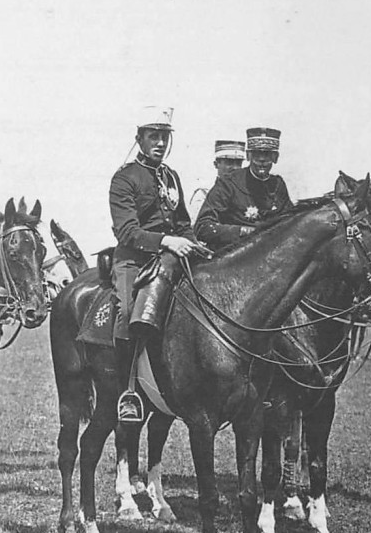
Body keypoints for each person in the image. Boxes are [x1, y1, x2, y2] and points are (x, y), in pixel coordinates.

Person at [109, 106, 197, 424]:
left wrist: (194, 245)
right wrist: (165, 241)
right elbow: (127, 231)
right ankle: (127, 390)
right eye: (153, 136)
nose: (159, 143)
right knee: (127, 311)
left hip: (173, 259)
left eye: (164, 137)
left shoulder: (171, 177)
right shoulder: (124, 178)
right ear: (140, 138)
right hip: (134, 260)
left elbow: (184, 222)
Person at [194, 127, 294, 252]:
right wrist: (243, 231)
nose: (262, 160)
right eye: (257, 154)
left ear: (275, 157)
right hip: (233, 256)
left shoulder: (278, 185)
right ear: (248, 156)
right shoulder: (228, 184)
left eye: (267, 155)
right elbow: (203, 227)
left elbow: (291, 221)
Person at [188, 139, 246, 220]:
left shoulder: (245, 193)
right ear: (216, 164)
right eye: (229, 162)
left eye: (238, 163)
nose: (235, 168)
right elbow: (198, 226)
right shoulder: (204, 193)